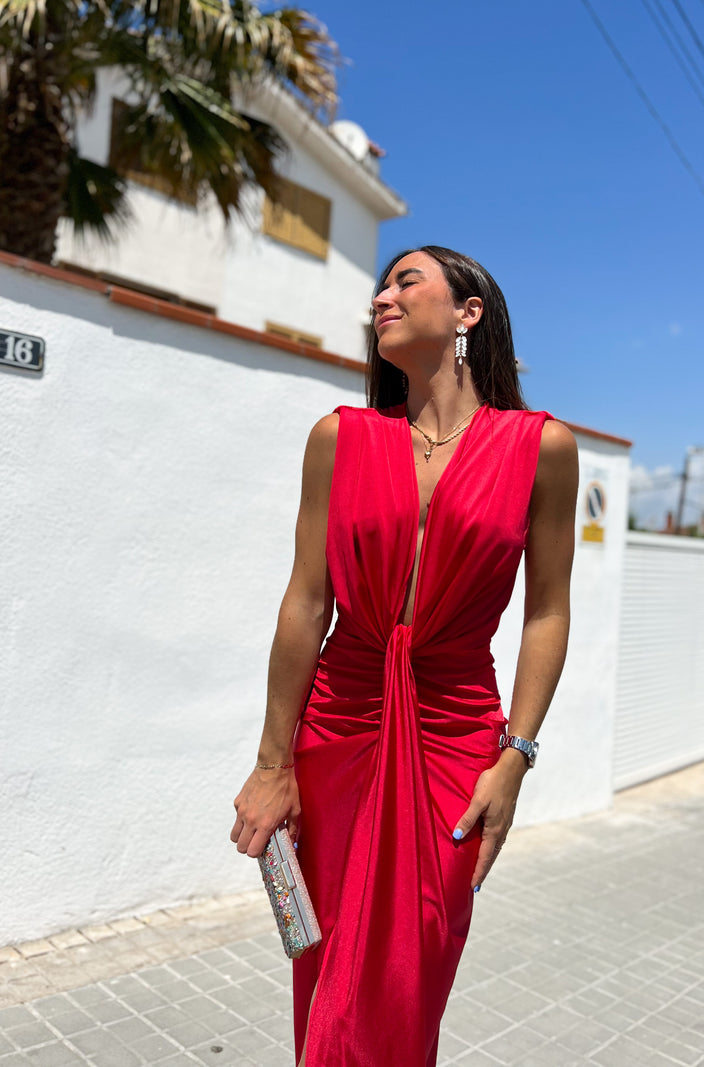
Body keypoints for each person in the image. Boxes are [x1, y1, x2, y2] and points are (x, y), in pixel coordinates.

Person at [230, 245, 579, 1066]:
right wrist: (271, 761)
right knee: (322, 960)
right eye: (380, 287)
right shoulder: (339, 438)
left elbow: (549, 610)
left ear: (468, 313)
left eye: (404, 281)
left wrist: (515, 757)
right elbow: (306, 604)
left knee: (412, 968)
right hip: (336, 725)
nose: (382, 297)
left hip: (457, 735)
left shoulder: (542, 447)